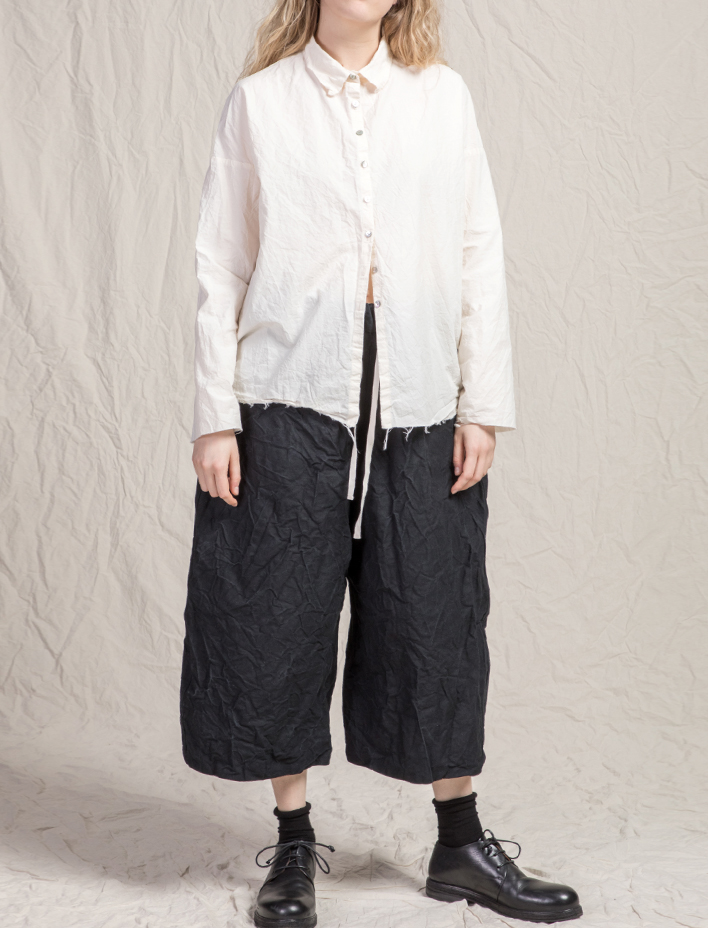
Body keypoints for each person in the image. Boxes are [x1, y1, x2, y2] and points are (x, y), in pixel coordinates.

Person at [180, 0, 582, 925]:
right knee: (277, 612)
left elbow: (478, 252)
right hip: (288, 390)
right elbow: (220, 264)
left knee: (436, 610)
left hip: (420, 393)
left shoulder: (442, 99)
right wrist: (214, 418)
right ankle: (292, 843)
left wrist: (484, 404)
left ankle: (459, 844)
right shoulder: (262, 103)